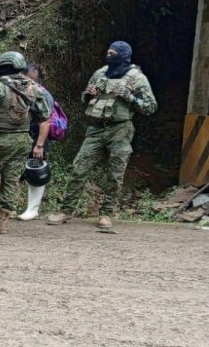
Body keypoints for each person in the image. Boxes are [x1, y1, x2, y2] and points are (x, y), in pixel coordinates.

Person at [47, 41, 157, 231]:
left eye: (113, 53)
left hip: (120, 129)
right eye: (108, 52)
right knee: (79, 168)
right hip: (95, 128)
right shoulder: (100, 73)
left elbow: (150, 106)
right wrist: (88, 95)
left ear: (123, 55)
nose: (109, 55)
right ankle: (66, 211)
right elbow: (86, 97)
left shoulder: (137, 78)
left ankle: (106, 213)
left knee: (115, 173)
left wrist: (130, 97)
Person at [0, 51, 49, 235]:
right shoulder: (34, 88)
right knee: (11, 181)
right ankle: (2, 223)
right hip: (22, 141)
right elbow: (44, 115)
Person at [18, 63, 54, 220]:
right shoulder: (17, 91)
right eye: (27, 78)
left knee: (36, 171)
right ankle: (11, 207)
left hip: (37, 137)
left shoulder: (42, 93)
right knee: (17, 172)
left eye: (33, 79)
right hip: (21, 136)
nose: (31, 82)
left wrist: (39, 145)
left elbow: (46, 121)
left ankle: (33, 209)